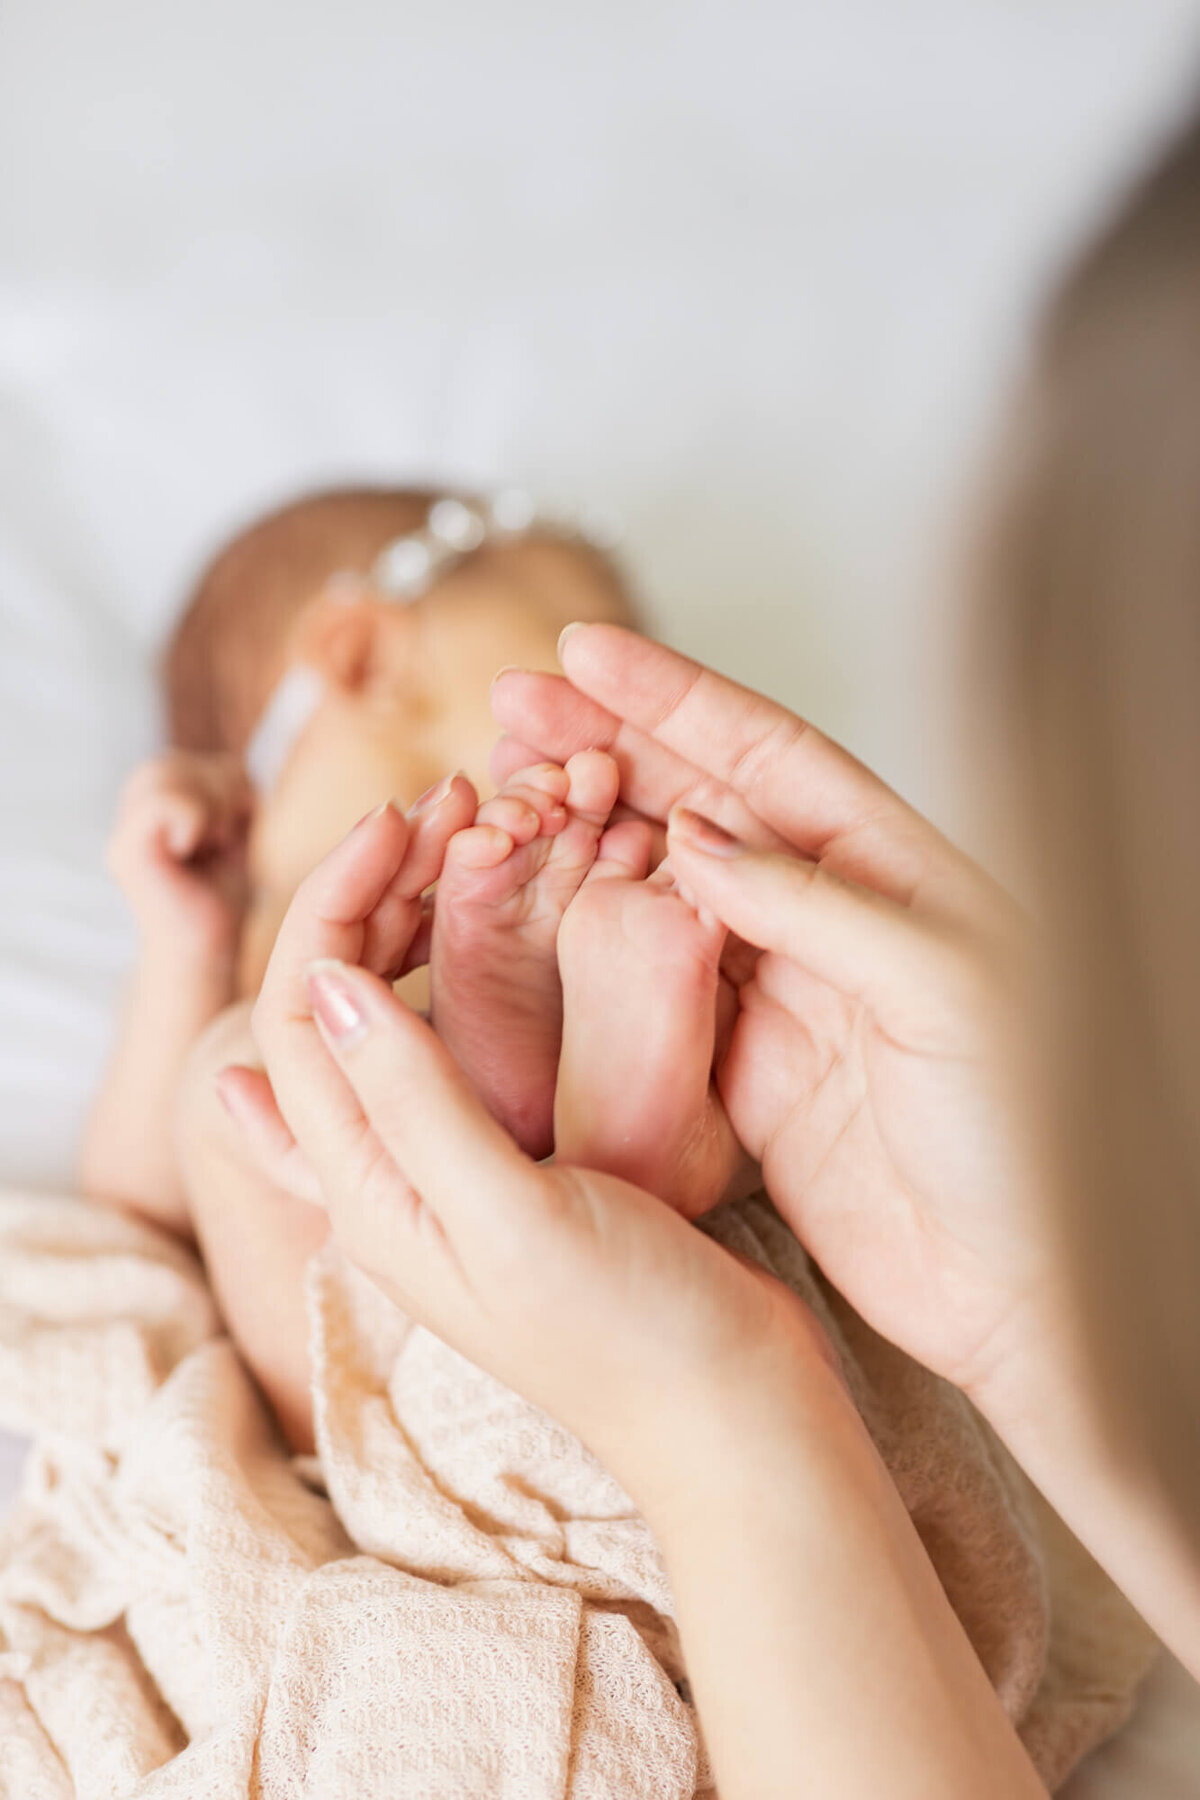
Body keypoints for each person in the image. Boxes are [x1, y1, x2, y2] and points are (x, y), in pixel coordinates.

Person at [227, 95, 1200, 1800]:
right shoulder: (261, 896)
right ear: (366, 654)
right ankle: (591, 1129)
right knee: (241, 1090)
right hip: (395, 1284)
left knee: (303, 1091)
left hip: (537, 1326)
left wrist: (730, 1397)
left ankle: (598, 1130)